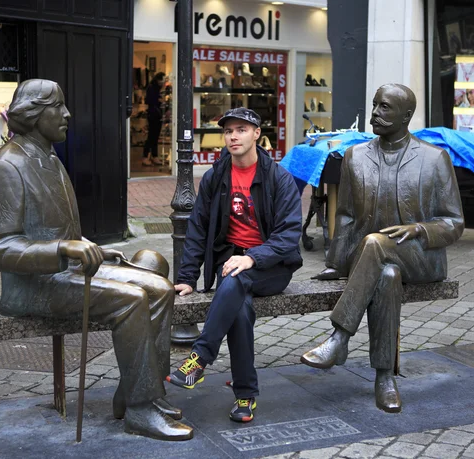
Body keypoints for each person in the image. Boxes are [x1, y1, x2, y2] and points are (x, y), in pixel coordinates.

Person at [0, 79, 193, 441]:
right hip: (34, 286)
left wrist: (86, 244)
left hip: (66, 271)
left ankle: (135, 393)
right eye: (57, 107)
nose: (67, 114)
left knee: (157, 281)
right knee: (132, 298)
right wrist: (64, 250)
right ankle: (141, 409)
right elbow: (0, 247)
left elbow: (53, 227)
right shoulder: (7, 166)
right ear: (34, 114)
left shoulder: (48, 157)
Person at [301, 84, 464, 413]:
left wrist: (419, 228)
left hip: (420, 257)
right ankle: (384, 378)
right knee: (387, 275)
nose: (375, 113)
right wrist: (336, 263)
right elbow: (345, 214)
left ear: (406, 116)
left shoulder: (435, 159)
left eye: (385, 107)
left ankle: (339, 338)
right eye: (374, 105)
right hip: (370, 259)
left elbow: (454, 222)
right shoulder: (355, 156)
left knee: (377, 243)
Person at [167, 107, 303, 423]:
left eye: (241, 129)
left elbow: (288, 234)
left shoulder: (278, 178)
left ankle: (199, 359)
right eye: (228, 131)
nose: (233, 136)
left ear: (257, 133)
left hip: (272, 266)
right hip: (230, 263)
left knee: (235, 279)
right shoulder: (216, 176)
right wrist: (187, 276)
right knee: (239, 305)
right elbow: (198, 227)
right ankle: (245, 394)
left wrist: (253, 257)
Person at [142, 72, 165, 166]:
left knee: (155, 137)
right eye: (162, 79)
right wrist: (159, 100)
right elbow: (149, 100)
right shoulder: (152, 88)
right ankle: (145, 156)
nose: (163, 82)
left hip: (157, 115)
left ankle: (154, 156)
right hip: (153, 115)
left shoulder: (157, 88)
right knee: (151, 136)